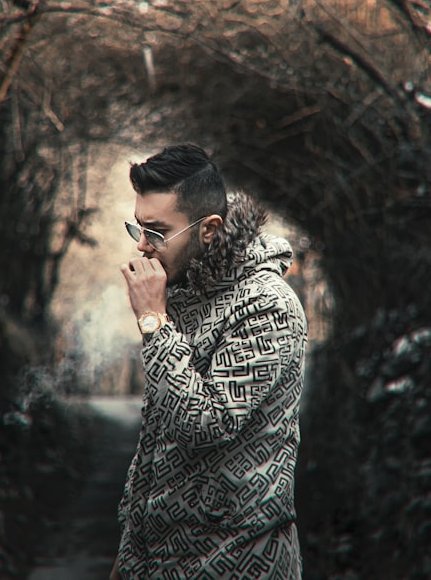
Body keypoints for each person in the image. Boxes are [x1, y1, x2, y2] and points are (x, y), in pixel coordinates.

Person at [111, 144, 307, 579]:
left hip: (237, 562)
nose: (143, 247)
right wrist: (128, 557)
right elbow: (158, 446)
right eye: (138, 228)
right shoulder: (182, 291)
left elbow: (205, 423)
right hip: (154, 561)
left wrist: (153, 321)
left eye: (157, 233)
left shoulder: (268, 305)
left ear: (208, 229)